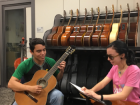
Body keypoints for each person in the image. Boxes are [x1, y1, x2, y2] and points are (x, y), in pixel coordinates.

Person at [8, 38, 66, 105]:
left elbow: (57, 78)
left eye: (44, 50)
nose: (43, 53)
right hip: (29, 93)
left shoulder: (51, 61)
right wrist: (30, 88)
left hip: (46, 92)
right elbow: (11, 84)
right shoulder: (25, 64)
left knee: (58, 95)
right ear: (31, 52)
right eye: (39, 51)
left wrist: (62, 71)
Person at [81, 40, 140, 105]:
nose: (108, 59)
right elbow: (102, 83)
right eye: (107, 56)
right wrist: (90, 91)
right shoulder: (115, 67)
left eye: (111, 56)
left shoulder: (134, 70)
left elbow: (124, 95)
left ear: (122, 55)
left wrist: (99, 97)